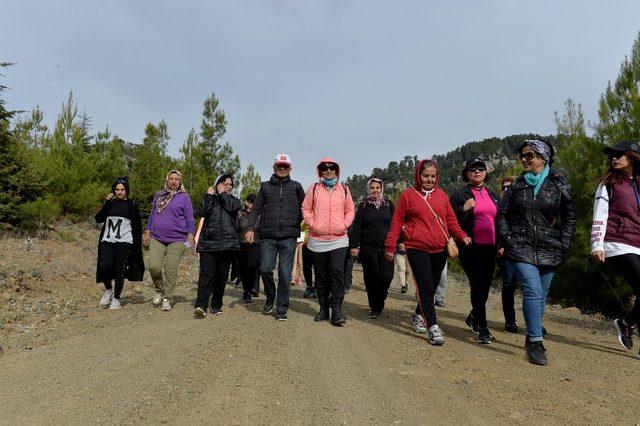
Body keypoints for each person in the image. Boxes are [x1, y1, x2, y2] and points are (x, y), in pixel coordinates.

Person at [496, 139, 576, 365]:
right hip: (521, 248)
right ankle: (535, 341)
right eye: (522, 155)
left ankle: (532, 331)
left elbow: (570, 216)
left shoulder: (559, 184)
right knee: (531, 290)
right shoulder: (517, 186)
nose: (524, 159)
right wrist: (509, 239)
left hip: (550, 248)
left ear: (543, 157)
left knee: (541, 294)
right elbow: (501, 215)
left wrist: (565, 242)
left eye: (529, 155)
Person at [385, 159, 471, 345]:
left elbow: (450, 220)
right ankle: (433, 326)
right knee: (424, 286)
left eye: (433, 176)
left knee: (431, 287)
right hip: (417, 247)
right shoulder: (408, 196)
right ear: (418, 175)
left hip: (440, 248)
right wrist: (390, 246)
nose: (429, 179)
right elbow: (397, 223)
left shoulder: (442, 195)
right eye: (425, 176)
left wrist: (461, 234)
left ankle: (417, 315)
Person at [591, 140, 640, 353]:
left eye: (619, 154)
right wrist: (596, 245)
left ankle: (627, 325)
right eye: (612, 155)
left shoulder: (638, 183)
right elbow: (599, 214)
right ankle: (626, 323)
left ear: (632, 157)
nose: (614, 158)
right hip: (616, 244)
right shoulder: (609, 183)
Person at [246, 154, 305, 321]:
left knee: (285, 274)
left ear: (290, 168)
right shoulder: (264, 187)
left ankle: (281, 307)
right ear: (274, 167)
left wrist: (297, 222)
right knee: (265, 269)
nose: (282, 168)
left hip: (288, 237)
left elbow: (306, 208)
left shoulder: (296, 187)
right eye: (279, 165)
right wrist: (250, 228)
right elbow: (256, 209)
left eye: (285, 166)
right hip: (268, 237)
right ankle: (270, 297)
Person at [450, 158, 501, 344]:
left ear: (486, 172)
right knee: (477, 284)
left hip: (491, 247)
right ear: (467, 173)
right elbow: (451, 220)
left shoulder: (493, 195)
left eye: (481, 168)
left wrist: (502, 244)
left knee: (485, 286)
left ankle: (474, 316)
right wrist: (464, 209)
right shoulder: (459, 195)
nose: (477, 172)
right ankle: (483, 328)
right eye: (472, 169)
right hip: (471, 247)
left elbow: (501, 221)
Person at [302, 158, 355, 325]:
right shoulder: (314, 188)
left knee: (338, 273)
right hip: (318, 239)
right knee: (321, 275)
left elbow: (350, 209)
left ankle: (337, 309)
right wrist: (313, 224)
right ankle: (323, 308)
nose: (328, 170)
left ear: (337, 171)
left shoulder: (344, 189)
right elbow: (305, 208)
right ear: (320, 171)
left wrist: (344, 224)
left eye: (332, 168)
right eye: (324, 168)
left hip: (339, 239)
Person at [144, 170, 195, 311]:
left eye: (176, 179)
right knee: (153, 266)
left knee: (170, 268)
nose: (173, 181)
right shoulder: (159, 195)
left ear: (180, 181)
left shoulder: (184, 197)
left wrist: (191, 233)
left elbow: (190, 217)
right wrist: (147, 231)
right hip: (157, 237)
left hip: (178, 239)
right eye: (171, 179)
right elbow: (152, 214)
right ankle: (159, 290)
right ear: (167, 180)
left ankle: (168, 297)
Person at [193, 175, 241, 318]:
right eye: (225, 184)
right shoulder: (210, 199)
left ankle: (216, 304)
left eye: (231, 185)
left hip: (227, 245)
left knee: (221, 277)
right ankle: (201, 305)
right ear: (218, 185)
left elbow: (232, 208)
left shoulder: (234, 201)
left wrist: (223, 194)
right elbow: (201, 212)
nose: (229, 186)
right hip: (208, 243)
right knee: (206, 275)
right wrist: (208, 195)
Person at [95, 177, 145, 310]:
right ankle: (108, 289)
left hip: (125, 241)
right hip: (107, 240)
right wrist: (106, 203)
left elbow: (137, 226)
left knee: (119, 269)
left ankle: (116, 298)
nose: (119, 192)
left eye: (122, 190)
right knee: (104, 266)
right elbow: (98, 219)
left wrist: (136, 244)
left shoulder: (132, 204)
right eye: (117, 189)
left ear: (127, 191)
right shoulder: (110, 203)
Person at [350, 178, 395, 318]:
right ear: (368, 189)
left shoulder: (389, 204)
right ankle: (375, 307)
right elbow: (357, 227)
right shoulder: (364, 206)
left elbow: (396, 224)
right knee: (372, 277)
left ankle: (381, 296)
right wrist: (354, 246)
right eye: (372, 188)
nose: (375, 190)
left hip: (387, 247)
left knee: (387, 276)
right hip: (368, 247)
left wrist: (400, 241)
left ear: (382, 189)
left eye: (377, 187)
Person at [498, 176, 519, 333]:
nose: (507, 190)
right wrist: (500, 245)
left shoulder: (523, 205)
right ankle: (510, 320)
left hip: (525, 251)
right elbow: (495, 228)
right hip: (505, 252)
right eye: (504, 187)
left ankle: (535, 321)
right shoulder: (498, 208)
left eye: (509, 187)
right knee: (509, 284)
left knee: (531, 287)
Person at [237, 193, 261, 304]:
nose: (252, 205)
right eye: (250, 202)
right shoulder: (240, 214)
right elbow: (235, 228)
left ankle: (249, 292)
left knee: (251, 267)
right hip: (241, 245)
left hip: (255, 245)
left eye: (254, 203)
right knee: (243, 270)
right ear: (246, 202)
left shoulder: (259, 216)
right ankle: (246, 289)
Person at [301, 221, 317, 298]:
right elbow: (301, 227)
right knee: (306, 267)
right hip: (306, 243)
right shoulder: (306, 215)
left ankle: (317, 288)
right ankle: (309, 287)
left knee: (318, 267)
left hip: (318, 244)